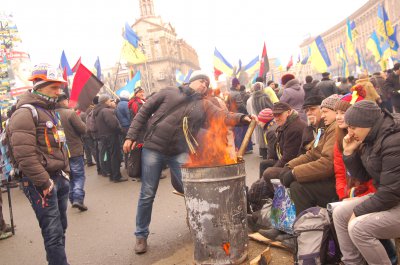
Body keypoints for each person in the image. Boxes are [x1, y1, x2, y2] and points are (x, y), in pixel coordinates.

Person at [123, 70, 252, 254]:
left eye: (207, 84)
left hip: (178, 152)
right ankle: (141, 236)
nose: (204, 86)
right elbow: (143, 112)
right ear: (191, 81)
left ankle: (202, 227)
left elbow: (222, 116)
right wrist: (131, 136)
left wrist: (242, 118)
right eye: (201, 81)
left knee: (193, 190)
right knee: (147, 193)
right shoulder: (169, 92)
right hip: (154, 148)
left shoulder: (204, 104)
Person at [8, 63, 70, 265]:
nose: (59, 91)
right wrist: (44, 183)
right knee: (53, 233)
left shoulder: (49, 110)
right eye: (54, 87)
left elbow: (59, 144)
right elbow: (24, 154)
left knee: (61, 227)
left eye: (59, 87)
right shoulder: (25, 112)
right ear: (38, 86)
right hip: (41, 183)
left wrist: (65, 172)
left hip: (57, 177)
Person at [333, 100, 400, 265]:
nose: (349, 132)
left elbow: (390, 193)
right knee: (340, 213)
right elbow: (364, 177)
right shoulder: (372, 136)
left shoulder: (394, 141)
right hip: (391, 198)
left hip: (393, 198)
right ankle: (353, 262)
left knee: (358, 227)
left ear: (367, 124)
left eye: (353, 127)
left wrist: (359, 211)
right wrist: (349, 153)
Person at [280, 94, 340, 214]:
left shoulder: (334, 128)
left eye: (325, 112)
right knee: (277, 174)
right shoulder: (320, 128)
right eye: (306, 110)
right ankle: (286, 222)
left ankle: (300, 226)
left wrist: (294, 172)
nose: (323, 115)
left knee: (298, 187)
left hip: (336, 182)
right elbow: (313, 153)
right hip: (328, 175)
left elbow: (327, 164)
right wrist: (290, 166)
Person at [333, 85, 375, 200]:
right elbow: (340, 173)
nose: (338, 117)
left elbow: (372, 178)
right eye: (336, 113)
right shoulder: (339, 139)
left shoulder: (367, 139)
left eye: (342, 113)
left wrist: (356, 198)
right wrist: (343, 195)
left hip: (369, 195)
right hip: (350, 192)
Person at [56, 93, 88, 211]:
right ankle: (78, 199)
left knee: (68, 176)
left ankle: (72, 198)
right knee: (79, 175)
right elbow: (83, 129)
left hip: (60, 152)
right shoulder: (70, 113)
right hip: (74, 149)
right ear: (64, 101)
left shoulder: (51, 115)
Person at [94, 95, 127, 183]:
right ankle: (117, 176)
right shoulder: (106, 111)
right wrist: (120, 130)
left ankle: (112, 175)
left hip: (103, 136)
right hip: (111, 135)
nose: (110, 101)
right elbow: (113, 124)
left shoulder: (97, 111)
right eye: (109, 100)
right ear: (105, 101)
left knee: (109, 156)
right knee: (114, 156)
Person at [246, 82, 273, 158]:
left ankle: (262, 152)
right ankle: (269, 152)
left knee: (260, 135)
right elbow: (270, 107)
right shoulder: (264, 97)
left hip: (257, 119)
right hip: (267, 118)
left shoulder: (251, 99)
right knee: (267, 134)